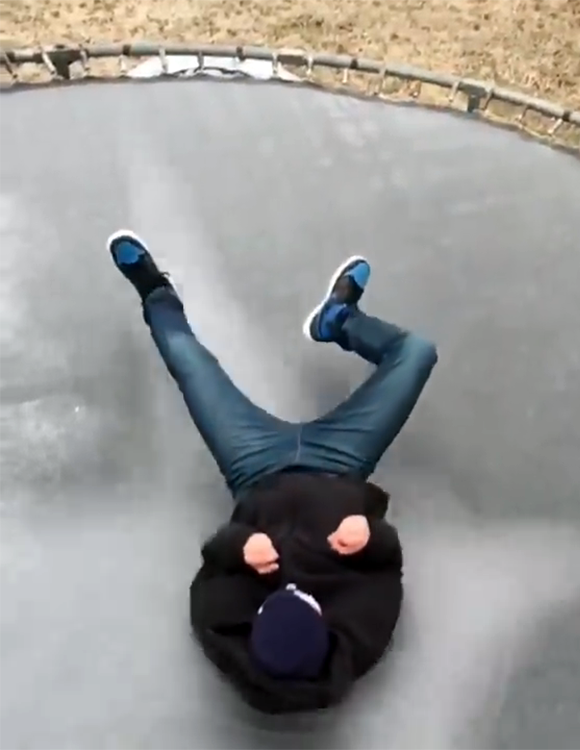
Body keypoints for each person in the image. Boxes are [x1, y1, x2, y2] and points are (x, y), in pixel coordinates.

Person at [107, 229, 438, 714]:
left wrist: (240, 544)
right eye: (307, 600)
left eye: (274, 598)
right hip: (341, 465)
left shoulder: (222, 627)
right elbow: (389, 563)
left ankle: (156, 291)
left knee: (190, 362)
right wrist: (369, 534)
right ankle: (339, 320)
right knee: (417, 354)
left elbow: (213, 560)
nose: (293, 587)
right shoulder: (363, 635)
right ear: (325, 625)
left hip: (254, 468)